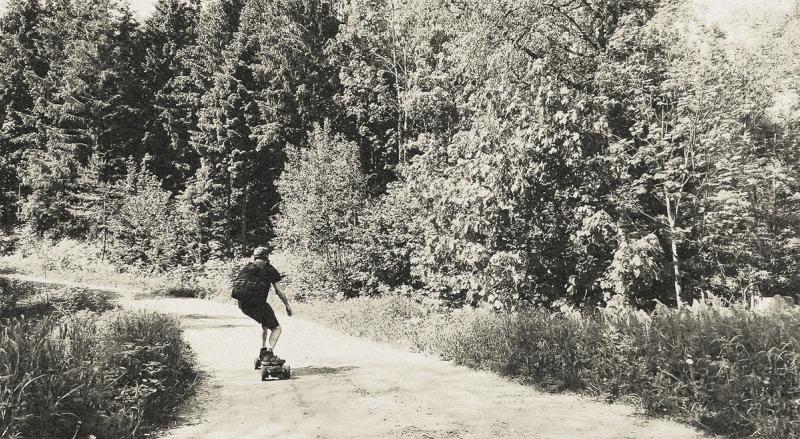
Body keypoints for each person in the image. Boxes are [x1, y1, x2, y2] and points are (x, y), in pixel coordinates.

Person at [232, 246, 293, 368]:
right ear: (267, 257)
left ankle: (263, 349)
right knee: (276, 328)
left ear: (254, 257)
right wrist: (287, 305)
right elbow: (279, 291)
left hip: (243, 305)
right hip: (258, 304)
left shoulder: (247, 267)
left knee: (265, 324)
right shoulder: (269, 269)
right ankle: (268, 354)